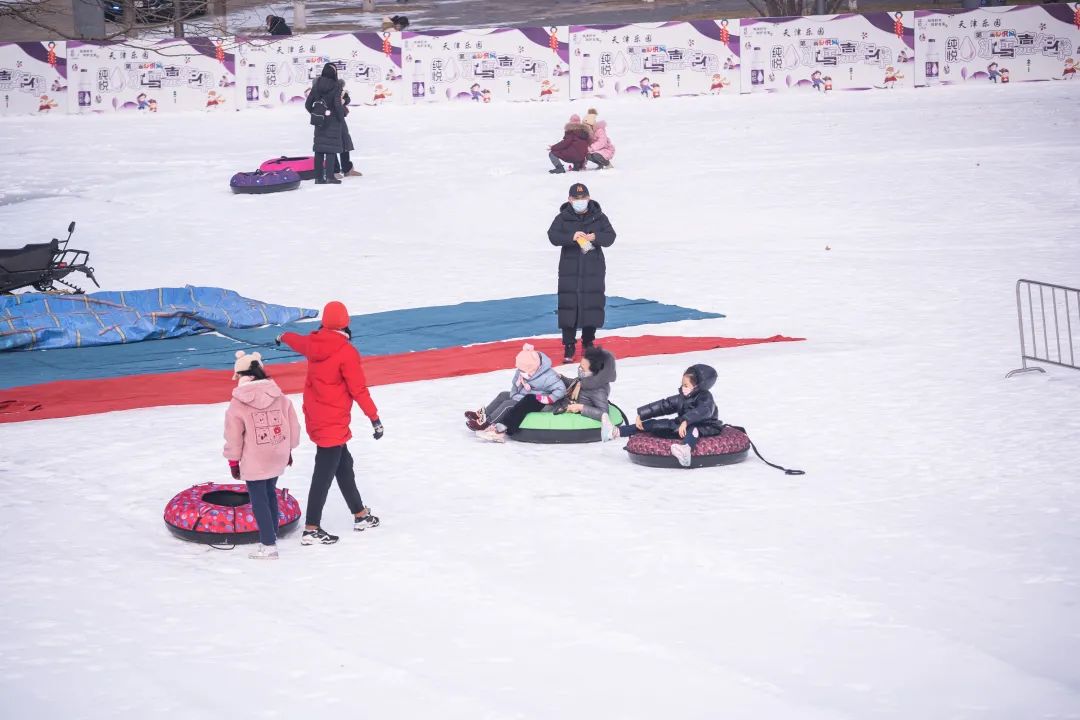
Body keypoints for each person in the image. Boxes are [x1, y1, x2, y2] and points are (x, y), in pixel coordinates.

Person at [278, 301, 384, 545]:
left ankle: (360, 515)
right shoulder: (346, 352)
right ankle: (311, 529)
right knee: (323, 475)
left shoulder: (313, 342)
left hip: (317, 417)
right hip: (333, 421)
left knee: (344, 465)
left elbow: (296, 340)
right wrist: (374, 418)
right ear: (346, 323)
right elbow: (358, 389)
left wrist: (282, 335)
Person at [222, 351, 301, 560]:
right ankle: (272, 533)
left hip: (255, 458)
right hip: (278, 452)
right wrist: (289, 449)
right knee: (269, 493)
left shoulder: (238, 403)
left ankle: (268, 545)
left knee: (259, 500)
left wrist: (233, 461)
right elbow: (293, 424)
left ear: (240, 376)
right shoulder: (279, 395)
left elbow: (234, 436)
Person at [601, 364, 724, 468]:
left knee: (693, 429)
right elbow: (664, 405)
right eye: (682, 384)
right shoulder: (682, 397)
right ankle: (614, 432)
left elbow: (704, 410)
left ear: (697, 387)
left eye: (686, 386)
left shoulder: (706, 398)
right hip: (683, 424)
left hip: (706, 425)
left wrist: (686, 421)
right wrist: (642, 414)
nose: (683, 388)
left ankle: (686, 450)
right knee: (654, 424)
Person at [547, 183, 616, 363]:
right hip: (570, 269)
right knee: (569, 305)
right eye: (576, 198)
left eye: (583, 197)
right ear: (570, 199)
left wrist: (595, 236)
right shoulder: (562, 218)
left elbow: (610, 236)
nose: (580, 201)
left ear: (589, 198)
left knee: (591, 303)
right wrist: (571, 237)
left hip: (593, 268)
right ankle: (569, 345)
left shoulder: (599, 217)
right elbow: (553, 236)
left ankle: (588, 342)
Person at [465, 343, 567, 442]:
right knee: (503, 395)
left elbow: (561, 389)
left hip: (537, 402)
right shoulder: (522, 371)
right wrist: (514, 394)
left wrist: (549, 399)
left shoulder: (548, 376)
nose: (521, 372)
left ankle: (487, 422)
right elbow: (514, 384)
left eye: (524, 370)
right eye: (520, 369)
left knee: (508, 405)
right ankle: (484, 415)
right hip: (522, 397)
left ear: (535, 367)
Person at [305, 63, 345, 185]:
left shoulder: (316, 85)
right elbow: (337, 104)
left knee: (319, 149)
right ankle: (329, 177)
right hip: (332, 120)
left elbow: (307, 104)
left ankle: (318, 178)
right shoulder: (336, 86)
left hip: (319, 120)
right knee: (331, 149)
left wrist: (317, 112)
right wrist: (340, 117)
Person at [553, 345, 616, 420]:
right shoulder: (585, 379)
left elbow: (604, 413)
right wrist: (561, 377)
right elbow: (573, 384)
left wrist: (581, 407)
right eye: (580, 366)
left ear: (595, 373)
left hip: (569, 409)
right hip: (564, 402)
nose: (579, 370)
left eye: (583, 369)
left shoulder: (598, 390)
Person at [332, 83, 362, 179]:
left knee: (345, 142)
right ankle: (334, 170)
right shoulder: (320, 87)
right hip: (328, 119)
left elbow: (347, 98)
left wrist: (343, 100)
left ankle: (347, 169)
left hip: (340, 118)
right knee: (331, 144)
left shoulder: (337, 86)